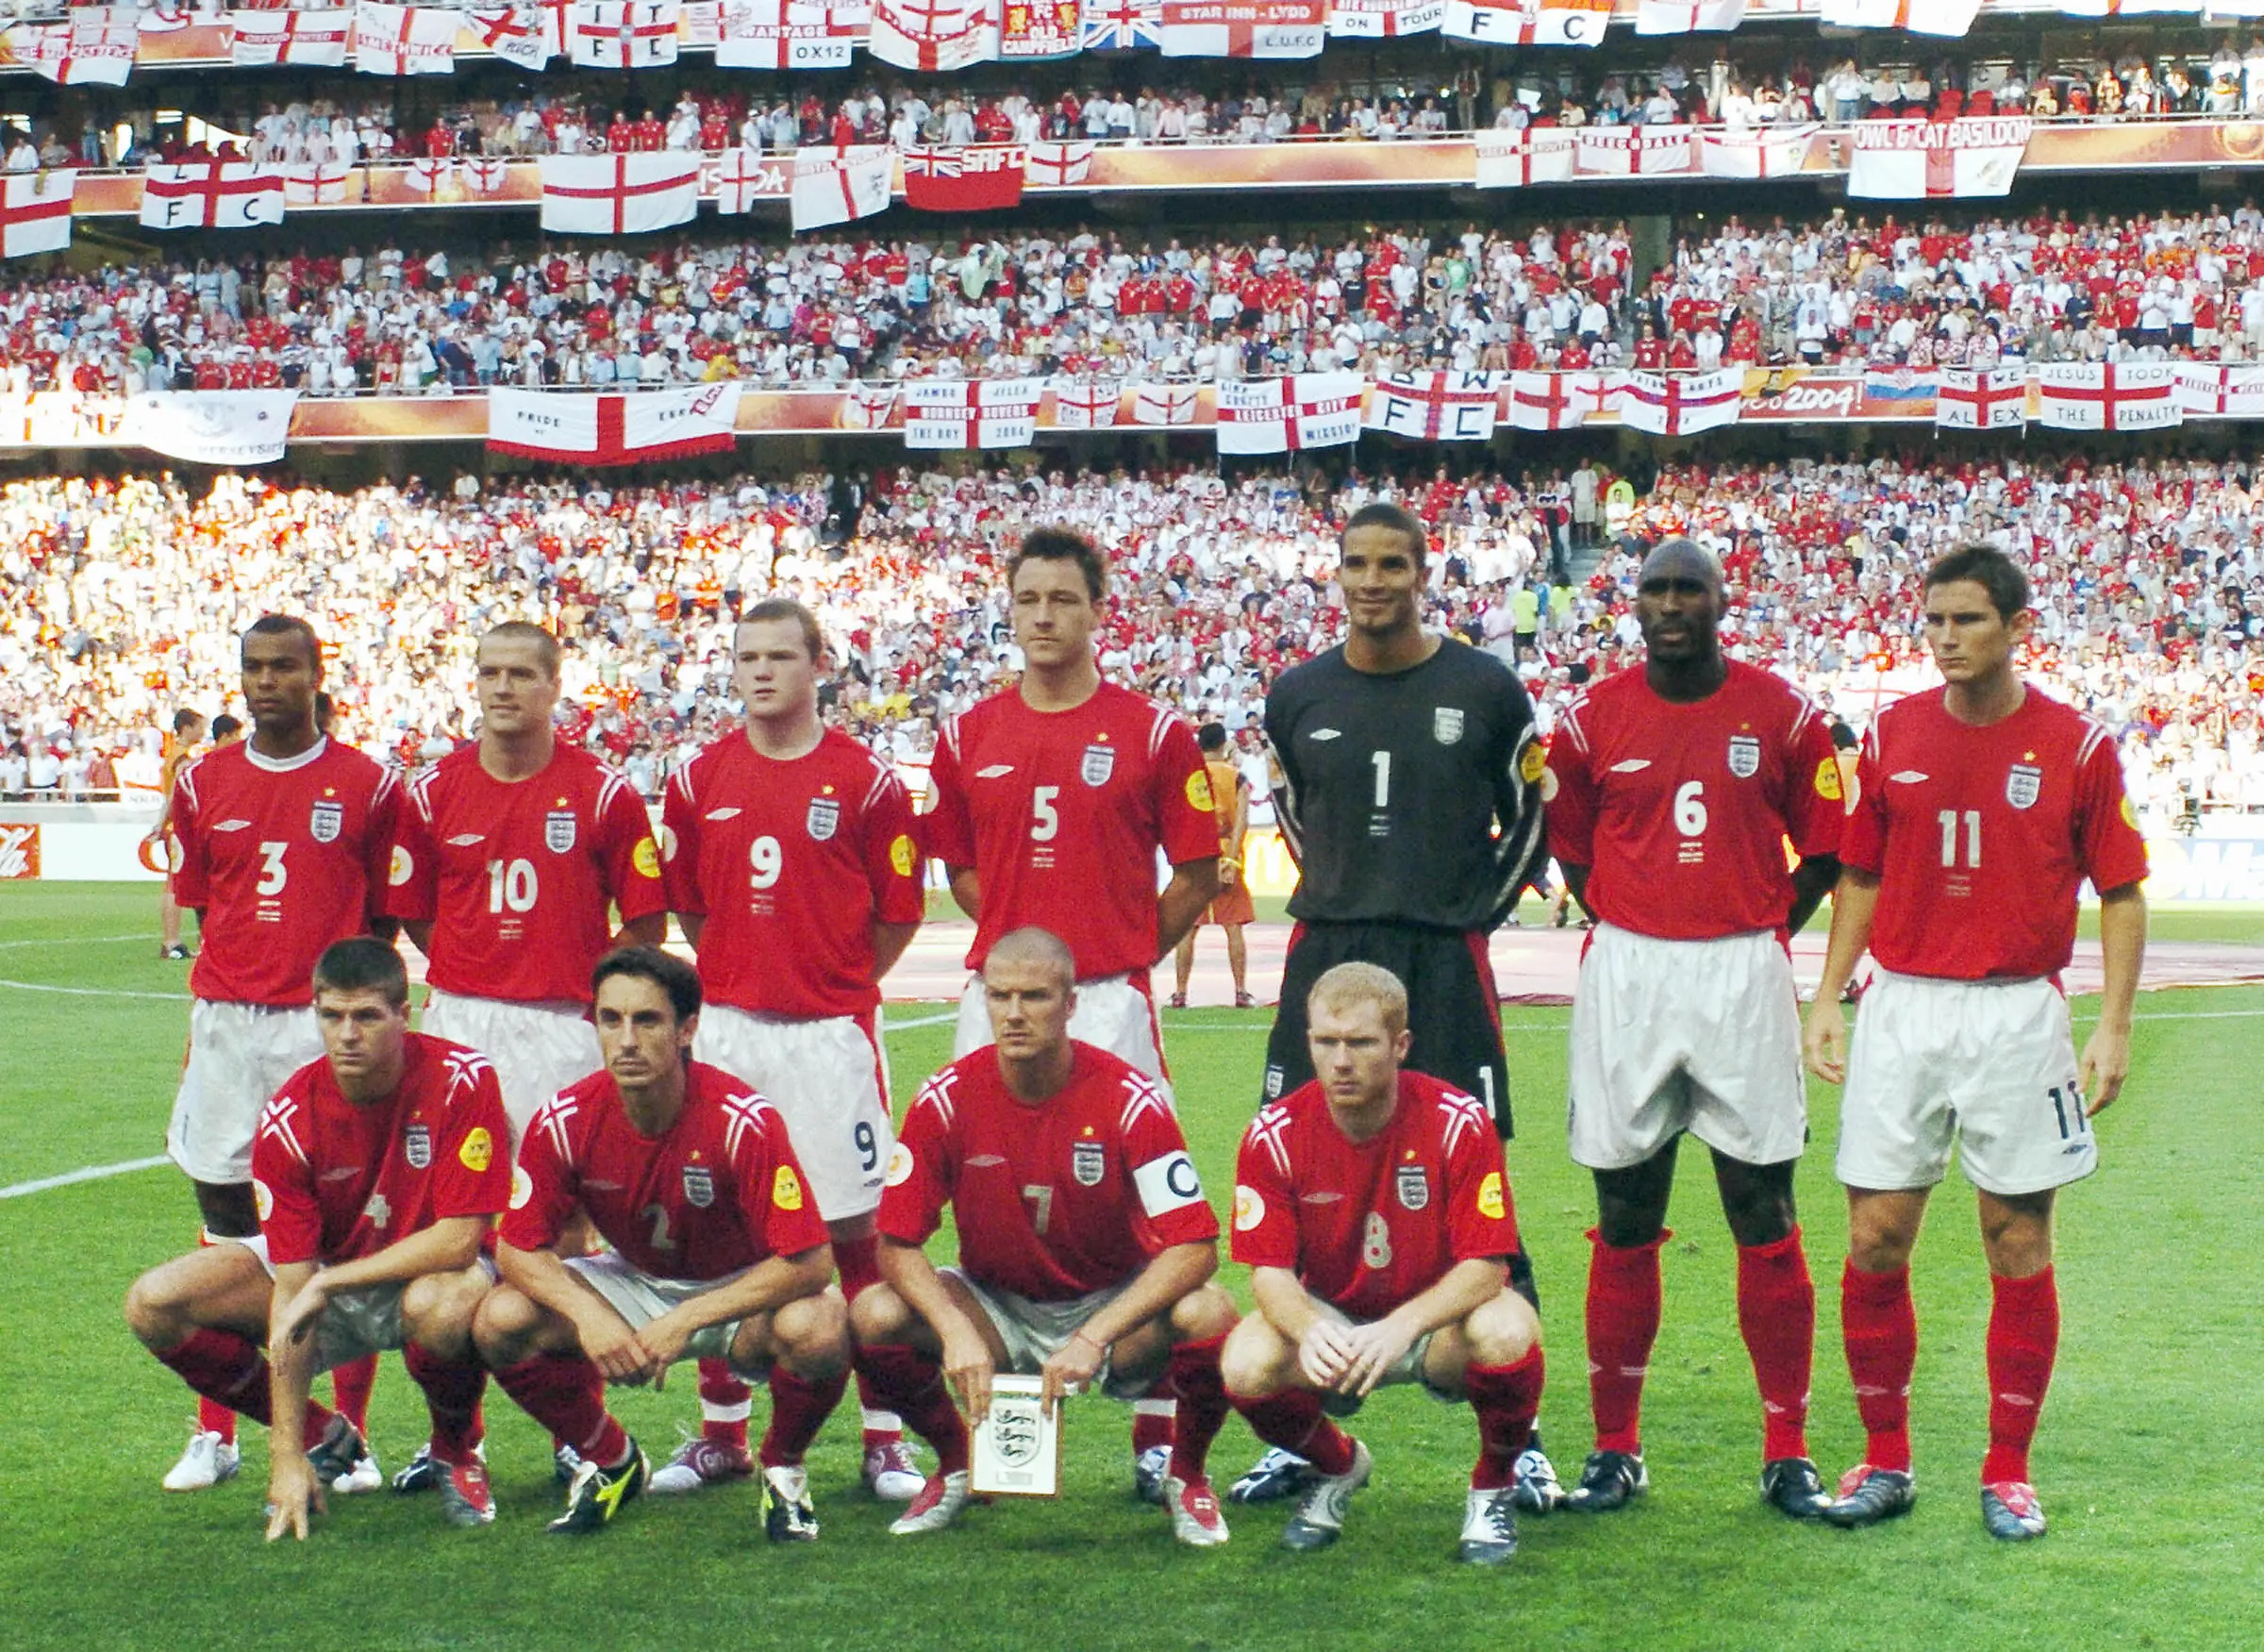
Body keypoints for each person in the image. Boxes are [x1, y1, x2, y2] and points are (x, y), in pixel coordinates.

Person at [1803, 546, 2147, 1543]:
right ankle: (1886, 1457)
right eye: (1935, 621)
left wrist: (2114, 1022)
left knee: (2017, 1237)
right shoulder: (1893, 730)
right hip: (1903, 1008)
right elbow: (1860, 874)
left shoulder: (2078, 746)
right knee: (1876, 1236)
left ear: (2016, 627)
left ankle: (2008, 1469)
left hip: (2015, 1013)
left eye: (1968, 620)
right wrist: (1827, 995)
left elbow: (2122, 891)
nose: (1947, 639)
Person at [1239, 500, 1555, 1510]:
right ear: (1336, 573)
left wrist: (1468, 912)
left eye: (1391, 564)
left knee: (1482, 1175)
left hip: (1442, 959)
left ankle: (1522, 1434)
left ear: (1424, 572)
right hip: (1330, 949)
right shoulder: (1297, 693)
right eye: (1356, 564)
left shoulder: (1485, 686)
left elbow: (1532, 814)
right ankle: (1305, 1431)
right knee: (1299, 1164)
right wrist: (1348, 890)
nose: (1372, 581)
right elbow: (1295, 812)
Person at [1543, 538, 1844, 1520]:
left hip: (1743, 970)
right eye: (1655, 589)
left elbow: (1827, 849)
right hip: (1630, 970)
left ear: (1722, 600)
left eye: (1688, 589)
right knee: (1625, 1208)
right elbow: (1572, 849)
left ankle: (1787, 1449)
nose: (1670, 604)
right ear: (1635, 605)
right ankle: (1615, 1447)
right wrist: (1634, 918)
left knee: (1763, 1205)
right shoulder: (1589, 719)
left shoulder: (1784, 714)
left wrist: (1762, 926)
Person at [920, 526, 1222, 1493]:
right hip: (997, 999)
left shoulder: (1152, 731)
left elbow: (1199, 870)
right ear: (1009, 611)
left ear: (1098, 609)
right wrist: (1021, 959)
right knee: (987, 1193)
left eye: (1062, 598)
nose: (1044, 615)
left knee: (1138, 1210)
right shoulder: (967, 733)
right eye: (1028, 599)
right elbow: (960, 869)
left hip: (1107, 999)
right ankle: (984, 1436)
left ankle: (1153, 1439)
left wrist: (1126, 949)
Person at [384, 620, 668, 1493]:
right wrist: (475, 968)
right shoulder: (432, 793)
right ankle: (454, 1439)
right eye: (489, 672)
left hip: (564, 1026)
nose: (502, 687)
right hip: (462, 1023)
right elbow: (416, 912)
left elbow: (646, 921)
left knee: (566, 1228)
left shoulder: (602, 792)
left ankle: (575, 1432)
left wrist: (575, 984)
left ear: (554, 685)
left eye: (520, 674)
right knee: (449, 1230)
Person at [659, 598, 927, 1502]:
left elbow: (897, 914)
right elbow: (692, 908)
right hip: (730, 1032)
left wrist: (829, 982)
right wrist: (746, 976)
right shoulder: (698, 778)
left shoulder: (867, 780)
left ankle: (885, 1438)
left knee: (858, 1233)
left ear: (819, 664)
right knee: (728, 1232)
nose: (763, 670)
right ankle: (722, 1434)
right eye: (748, 657)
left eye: (781, 655)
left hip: (831, 1037)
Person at [851, 927, 1240, 1546]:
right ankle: (958, 1464)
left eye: (1034, 996)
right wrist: (954, 1331)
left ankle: (1188, 1476)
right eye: (999, 995)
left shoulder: (1130, 1099)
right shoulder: (946, 1099)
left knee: (1210, 1311)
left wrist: (1094, 1334)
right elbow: (896, 1243)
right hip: (996, 1306)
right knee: (874, 1312)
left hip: (1112, 1307)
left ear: (1070, 1004)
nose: (1014, 1013)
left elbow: (1195, 1246)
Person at [123, 938, 509, 1538]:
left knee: (443, 1304)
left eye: (367, 1016)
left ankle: (457, 1452)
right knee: (154, 1303)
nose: (347, 1035)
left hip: (427, 1274)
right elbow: (293, 1287)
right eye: (332, 1016)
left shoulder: (462, 1079)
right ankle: (319, 1434)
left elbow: (459, 1240)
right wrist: (285, 1456)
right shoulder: (289, 1118)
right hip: (329, 1274)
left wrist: (330, 1283)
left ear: (403, 1016)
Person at [472, 946, 850, 1539]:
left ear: (686, 1030)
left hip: (738, 1295)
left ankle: (783, 1470)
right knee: (500, 1318)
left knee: (820, 1324)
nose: (626, 1040)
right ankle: (611, 1459)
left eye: (646, 1020)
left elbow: (811, 1262)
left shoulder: (740, 1119)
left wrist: (686, 1319)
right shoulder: (564, 1120)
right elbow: (517, 1247)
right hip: (637, 1281)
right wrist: (589, 1317)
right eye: (610, 1019)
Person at [159, 615, 402, 1494]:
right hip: (230, 1024)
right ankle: (216, 1431)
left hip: (318, 1024)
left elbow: (381, 922)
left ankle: (353, 1438)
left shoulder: (369, 784)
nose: (267, 682)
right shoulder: (203, 780)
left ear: (315, 675)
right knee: (227, 1222)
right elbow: (204, 904)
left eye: (284, 667)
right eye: (254, 667)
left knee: (333, 1231)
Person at [1223, 962, 1546, 1564]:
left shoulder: (1457, 1121)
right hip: (1335, 1323)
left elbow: (1487, 1263)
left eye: (1361, 1043)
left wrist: (1401, 1327)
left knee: (1507, 1328)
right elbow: (1268, 1271)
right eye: (1326, 1042)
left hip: (1434, 1326)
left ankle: (1492, 1487)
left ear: (1400, 1045)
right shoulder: (1273, 1134)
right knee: (1245, 1362)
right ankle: (1338, 1466)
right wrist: (1309, 1330)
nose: (1341, 1061)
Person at [1170, 722, 1257, 1010]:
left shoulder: (1190, 776)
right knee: (1233, 926)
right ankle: (1241, 991)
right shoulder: (1236, 777)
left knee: (1188, 927)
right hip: (1225, 851)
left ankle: (1180, 992)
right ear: (1223, 744)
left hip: (1196, 856)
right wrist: (1231, 860)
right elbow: (1241, 821)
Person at [151, 708, 208, 960]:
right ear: (187, 728)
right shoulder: (181, 758)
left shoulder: (173, 753)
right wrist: (163, 822)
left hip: (172, 826)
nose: (203, 731)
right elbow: (176, 793)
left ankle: (172, 941)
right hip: (179, 828)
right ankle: (172, 941)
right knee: (176, 883)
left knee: (172, 881)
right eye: (199, 726)